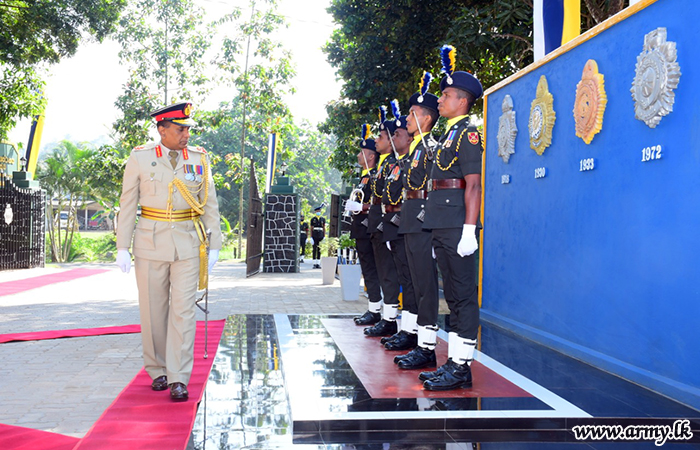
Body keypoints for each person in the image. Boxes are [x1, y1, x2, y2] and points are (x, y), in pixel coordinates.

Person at [115, 101, 222, 401]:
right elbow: (128, 204)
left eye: (188, 128)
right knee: (153, 310)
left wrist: (215, 245)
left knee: (184, 311)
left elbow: (209, 202)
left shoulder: (200, 158)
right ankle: (157, 368)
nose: (186, 133)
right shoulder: (140, 158)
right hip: (150, 243)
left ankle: (178, 377)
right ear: (162, 129)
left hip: (188, 243)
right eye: (180, 128)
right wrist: (122, 246)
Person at [420, 46, 484, 391]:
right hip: (441, 225)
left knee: (462, 295)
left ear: (462, 101)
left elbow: (472, 186)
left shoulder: (469, 134)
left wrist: (469, 230)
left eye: (445, 95)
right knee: (453, 297)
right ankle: (454, 363)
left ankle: (461, 366)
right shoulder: (447, 135)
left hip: (458, 225)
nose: (440, 101)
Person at [393, 72, 442, 370]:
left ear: (425, 119)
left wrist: (428, 221)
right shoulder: (413, 151)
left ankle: (427, 347)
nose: (406, 121)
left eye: (411, 115)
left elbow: (435, 189)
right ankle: (414, 336)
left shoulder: (431, 149)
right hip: (410, 222)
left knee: (425, 286)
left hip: (422, 222)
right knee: (413, 282)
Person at [378, 102, 419, 352]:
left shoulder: (413, 159)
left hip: (409, 221)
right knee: (404, 276)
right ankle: (406, 329)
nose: (394, 138)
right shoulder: (394, 163)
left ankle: (411, 332)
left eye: (397, 133)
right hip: (394, 223)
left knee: (413, 280)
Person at [363, 107, 399, 337]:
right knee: (382, 271)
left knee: (388, 273)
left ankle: (390, 319)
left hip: (387, 222)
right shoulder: (383, 166)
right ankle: (386, 317)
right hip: (377, 222)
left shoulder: (393, 163)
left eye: (381, 137)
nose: (377, 140)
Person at [346, 125, 383, 326]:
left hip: (370, 228)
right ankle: (373, 308)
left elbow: (379, 202)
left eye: (362, 152)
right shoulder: (364, 177)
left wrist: (361, 206)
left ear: (370, 157)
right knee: (367, 270)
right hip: (361, 228)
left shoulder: (376, 175)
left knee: (373, 270)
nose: (359, 156)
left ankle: (376, 309)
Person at [310, 204, 326, 268]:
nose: (319, 212)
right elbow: (311, 228)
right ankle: (314, 263)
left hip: (320, 235)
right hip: (315, 235)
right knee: (314, 249)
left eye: (319, 211)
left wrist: (324, 236)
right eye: (317, 211)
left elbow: (324, 228)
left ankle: (318, 263)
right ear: (315, 212)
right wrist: (311, 237)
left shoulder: (322, 219)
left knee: (319, 249)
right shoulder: (313, 219)